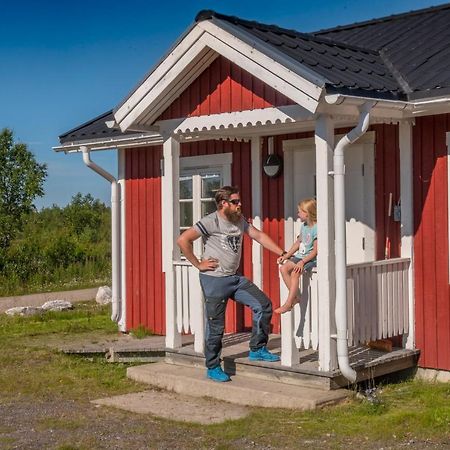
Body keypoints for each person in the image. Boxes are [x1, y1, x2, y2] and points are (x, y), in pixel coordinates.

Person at [177, 186, 286, 382]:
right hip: (214, 280)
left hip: (234, 279)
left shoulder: (239, 221)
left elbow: (259, 236)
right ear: (223, 204)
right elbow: (183, 240)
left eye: (239, 201)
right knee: (216, 327)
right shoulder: (211, 221)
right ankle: (212, 366)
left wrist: (283, 253)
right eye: (235, 202)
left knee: (263, 305)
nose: (239, 205)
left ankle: (257, 349)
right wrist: (198, 264)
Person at [274, 198, 318, 314]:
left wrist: (302, 262)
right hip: (300, 256)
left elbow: (315, 251)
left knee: (294, 273)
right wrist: (286, 255)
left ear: (307, 213)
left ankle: (288, 303)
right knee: (283, 268)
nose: (298, 214)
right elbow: (298, 243)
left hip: (310, 258)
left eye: (300, 211)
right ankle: (296, 296)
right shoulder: (304, 226)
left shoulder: (316, 228)